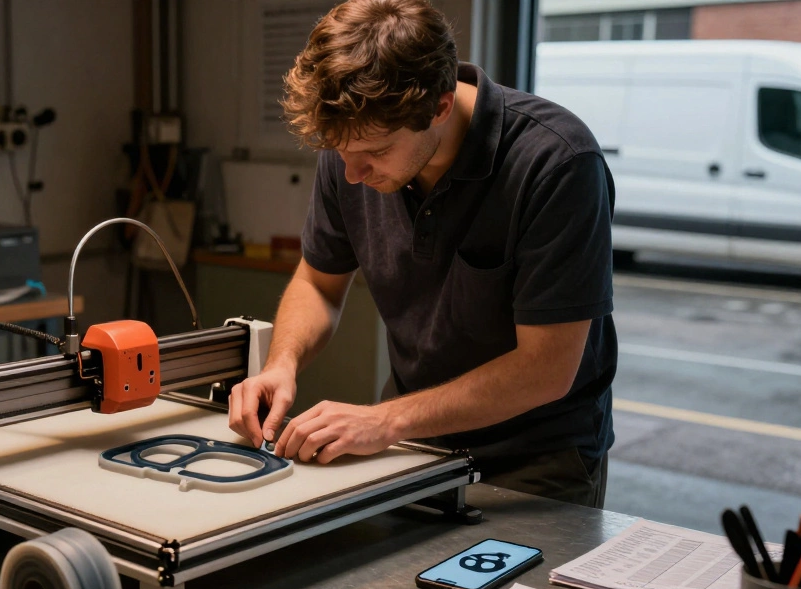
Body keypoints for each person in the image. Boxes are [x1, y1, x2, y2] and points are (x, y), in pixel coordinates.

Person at [227, 0, 617, 508]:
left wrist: (383, 419)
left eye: (375, 152)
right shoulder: (353, 147)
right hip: (412, 444)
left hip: (536, 462)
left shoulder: (557, 163)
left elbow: (546, 369)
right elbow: (318, 285)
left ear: (439, 105)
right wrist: (282, 363)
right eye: (341, 152)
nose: (352, 174)